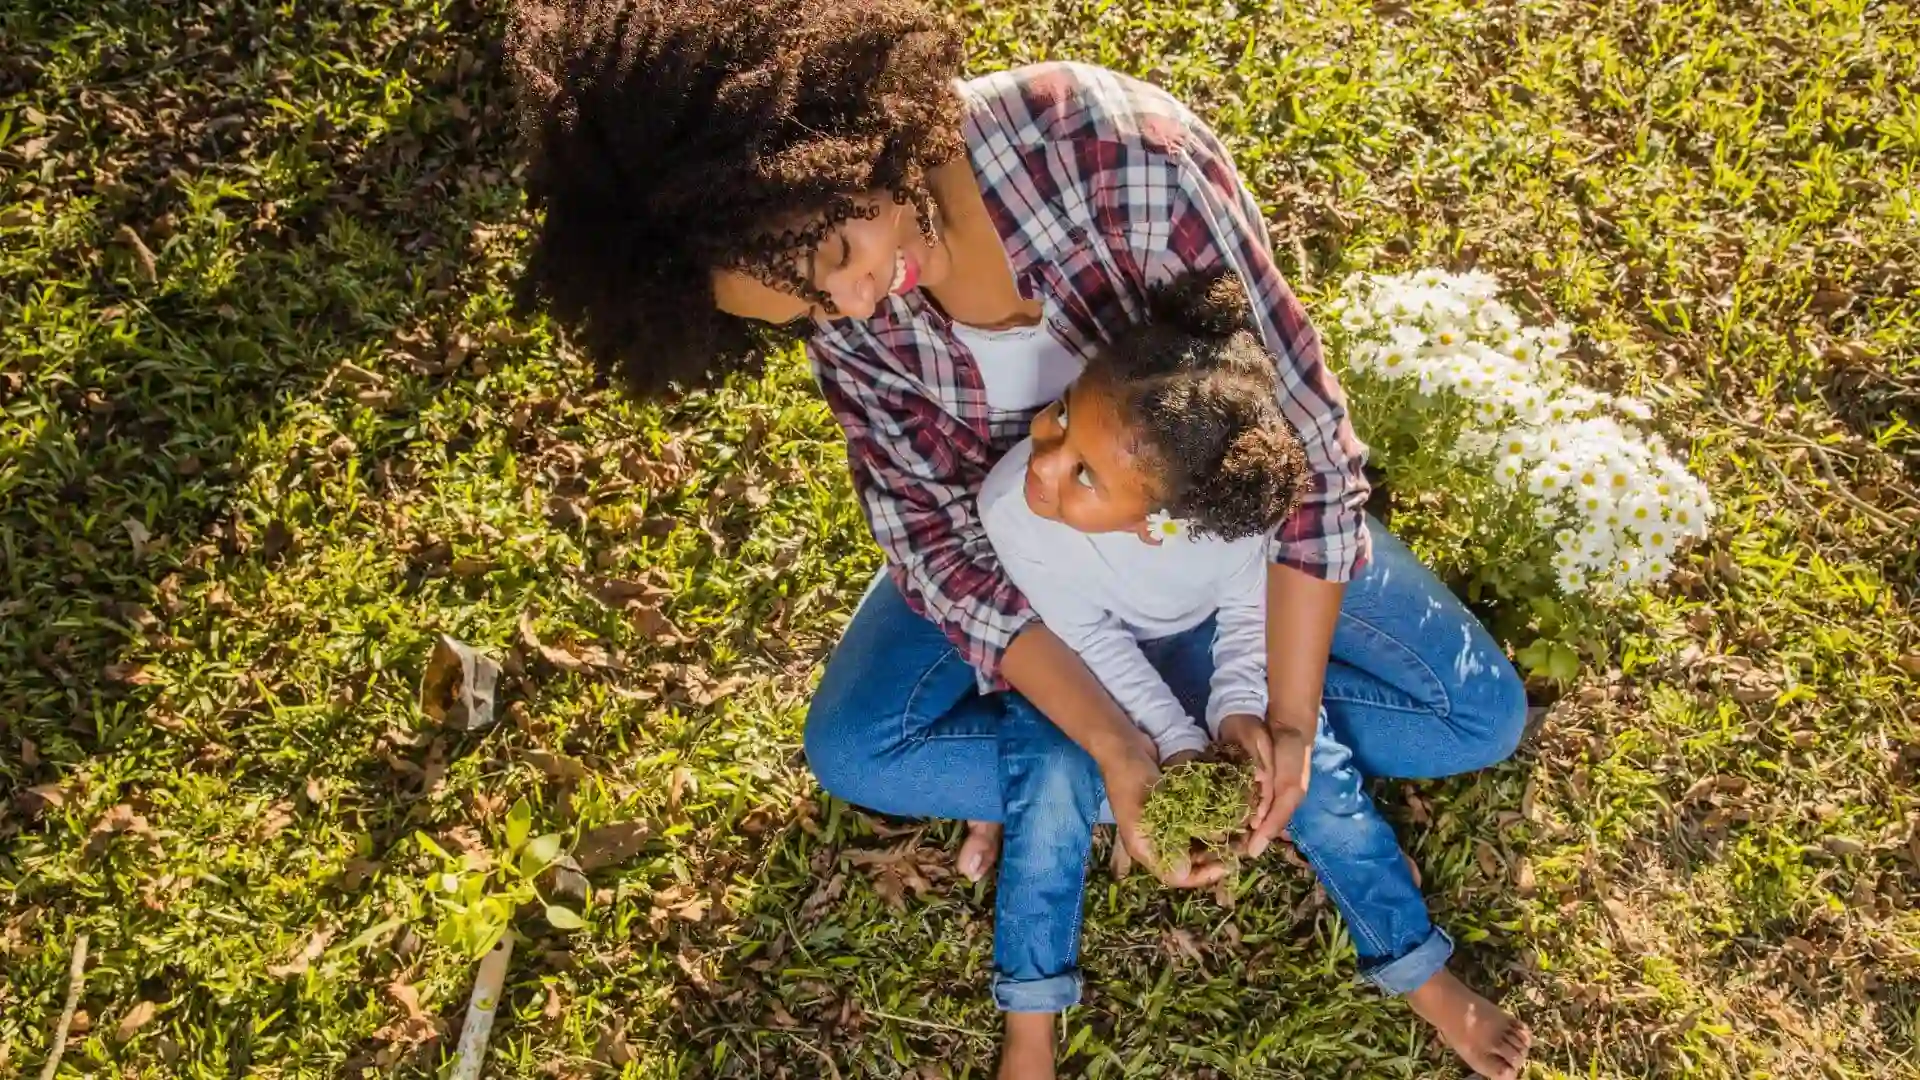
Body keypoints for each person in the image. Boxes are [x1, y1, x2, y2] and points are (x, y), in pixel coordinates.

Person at [505, 2, 1534, 1077]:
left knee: (1476, 715)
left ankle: (1096, 746)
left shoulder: (1120, 152)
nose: (854, 306)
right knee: (854, 747)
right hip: (1029, 560)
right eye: (804, 316)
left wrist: (1280, 714)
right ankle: (1119, 737)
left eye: (841, 252)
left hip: (1220, 534)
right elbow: (938, 547)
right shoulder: (840, 310)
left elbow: (1308, 458)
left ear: (838, 138)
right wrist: (1118, 745)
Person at [975, 271, 1530, 1078]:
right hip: (1081, 671)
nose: (1046, 461)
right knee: (1046, 789)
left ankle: (1419, 971)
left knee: (1310, 771)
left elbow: (1245, 612)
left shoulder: (1221, 523)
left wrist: (1242, 710)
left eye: (1086, 475)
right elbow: (1083, 638)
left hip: (1202, 643)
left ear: (1162, 524)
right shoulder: (1012, 505)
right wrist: (1166, 741)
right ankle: (1030, 1022)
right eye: (1062, 417)